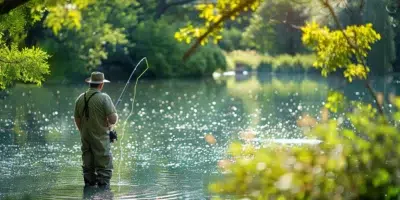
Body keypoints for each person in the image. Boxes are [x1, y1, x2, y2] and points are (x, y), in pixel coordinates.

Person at [74, 72, 118, 189]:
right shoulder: (104, 98)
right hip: (100, 138)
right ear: (101, 84)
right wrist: (110, 122)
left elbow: (77, 120)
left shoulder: (80, 98)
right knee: (104, 166)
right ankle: (104, 191)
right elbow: (113, 120)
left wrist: (83, 132)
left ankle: (89, 188)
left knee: (88, 165)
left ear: (90, 83)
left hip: (85, 137)